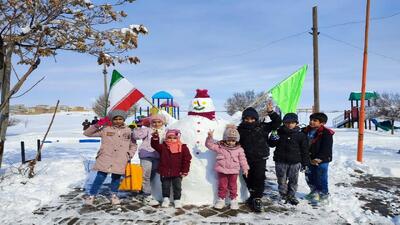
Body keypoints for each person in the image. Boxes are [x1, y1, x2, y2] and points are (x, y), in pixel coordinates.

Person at [83, 110, 137, 205]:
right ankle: (92, 195)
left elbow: (133, 145)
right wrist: (97, 125)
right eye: (115, 119)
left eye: (120, 119)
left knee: (116, 178)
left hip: (120, 158)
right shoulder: (105, 129)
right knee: (100, 176)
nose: (118, 121)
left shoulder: (129, 130)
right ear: (112, 119)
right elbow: (87, 133)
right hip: (106, 157)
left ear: (123, 119)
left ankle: (114, 195)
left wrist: (129, 155)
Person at [237, 102, 281, 212]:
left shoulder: (263, 127)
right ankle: (251, 194)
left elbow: (277, 122)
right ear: (243, 119)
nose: (250, 121)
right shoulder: (239, 129)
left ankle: (257, 198)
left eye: (252, 119)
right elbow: (232, 138)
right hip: (245, 158)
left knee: (259, 178)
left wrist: (271, 112)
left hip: (260, 158)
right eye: (247, 119)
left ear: (256, 119)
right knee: (248, 178)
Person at [205, 125, 249, 210]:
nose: (231, 142)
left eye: (233, 140)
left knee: (233, 186)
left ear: (236, 140)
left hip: (233, 171)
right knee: (222, 185)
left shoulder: (239, 149)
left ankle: (233, 200)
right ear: (225, 139)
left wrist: (245, 168)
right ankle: (221, 199)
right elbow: (209, 145)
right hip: (222, 170)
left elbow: (243, 159)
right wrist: (209, 137)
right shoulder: (220, 147)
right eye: (229, 140)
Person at [269, 113, 309, 205]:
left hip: (295, 162)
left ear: (296, 123)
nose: (289, 124)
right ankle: (283, 195)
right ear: (284, 123)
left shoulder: (301, 135)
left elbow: (305, 150)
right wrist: (273, 138)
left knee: (293, 180)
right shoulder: (279, 132)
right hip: (280, 161)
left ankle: (291, 195)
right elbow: (271, 144)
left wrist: (305, 163)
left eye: (292, 122)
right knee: (281, 180)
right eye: (287, 122)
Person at [151, 129, 192, 208]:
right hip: (165, 171)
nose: (172, 139)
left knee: (177, 186)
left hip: (178, 171)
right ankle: (166, 199)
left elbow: (187, 159)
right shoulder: (163, 146)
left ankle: (177, 200)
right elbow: (154, 146)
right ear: (166, 138)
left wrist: (184, 170)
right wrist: (155, 137)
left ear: (178, 138)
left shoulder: (183, 147)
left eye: (174, 137)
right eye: (169, 137)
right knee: (165, 186)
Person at [132, 114, 167, 206]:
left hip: (158, 156)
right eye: (154, 122)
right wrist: (138, 127)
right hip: (146, 154)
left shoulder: (165, 131)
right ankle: (147, 196)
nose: (156, 124)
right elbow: (136, 136)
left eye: (159, 122)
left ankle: (141, 192)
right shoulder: (147, 130)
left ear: (162, 123)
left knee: (152, 175)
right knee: (145, 175)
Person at [301, 112, 334, 203]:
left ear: (322, 123)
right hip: (308, 158)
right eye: (311, 120)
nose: (311, 122)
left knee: (320, 177)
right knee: (309, 176)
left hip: (321, 160)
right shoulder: (305, 131)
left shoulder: (326, 133)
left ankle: (323, 194)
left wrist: (319, 158)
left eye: (315, 121)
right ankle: (314, 192)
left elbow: (326, 148)